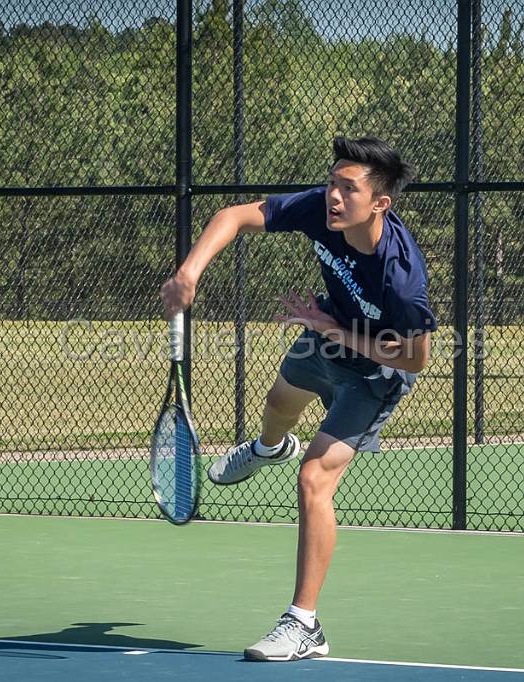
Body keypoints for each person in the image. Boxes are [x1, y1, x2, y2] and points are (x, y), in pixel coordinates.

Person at [159, 136, 436, 662]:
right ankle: (268, 448)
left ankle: (304, 624)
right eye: (332, 183)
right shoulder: (318, 208)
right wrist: (189, 273)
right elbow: (233, 215)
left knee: (314, 478)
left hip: (377, 370)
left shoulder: (402, 278)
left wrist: (333, 327)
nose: (333, 196)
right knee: (280, 401)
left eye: (347, 189)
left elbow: (415, 359)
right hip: (325, 335)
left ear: (380, 204)